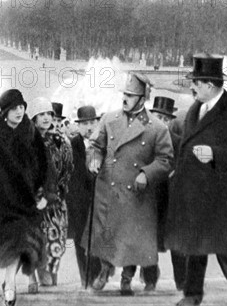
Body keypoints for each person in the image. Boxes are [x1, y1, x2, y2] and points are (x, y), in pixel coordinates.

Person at [164, 54, 227, 306]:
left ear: (210, 85)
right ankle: (192, 295)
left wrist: (215, 155)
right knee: (194, 247)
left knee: (225, 247)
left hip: (222, 196)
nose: (192, 86)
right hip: (193, 193)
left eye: (196, 82)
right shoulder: (196, 109)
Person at [86, 73, 173, 295]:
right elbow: (95, 145)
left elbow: (166, 161)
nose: (125, 99)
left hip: (136, 193)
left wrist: (146, 173)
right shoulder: (109, 119)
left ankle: (127, 278)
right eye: (124, 94)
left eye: (131, 95)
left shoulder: (156, 128)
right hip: (109, 189)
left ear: (142, 99)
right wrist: (94, 159)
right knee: (107, 234)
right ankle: (104, 272)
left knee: (131, 239)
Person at [0, 89, 49, 306]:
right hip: (2, 202)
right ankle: (10, 285)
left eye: (22, 107)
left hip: (27, 200)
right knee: (9, 243)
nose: (19, 111)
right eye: (14, 108)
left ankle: (10, 284)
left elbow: (43, 164)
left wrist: (42, 191)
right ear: (5, 112)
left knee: (23, 242)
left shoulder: (30, 132)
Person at [27, 98, 73, 292]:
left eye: (49, 114)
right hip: (32, 202)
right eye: (41, 114)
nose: (46, 118)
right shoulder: (25, 141)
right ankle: (35, 279)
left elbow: (67, 170)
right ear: (34, 118)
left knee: (57, 245)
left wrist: (54, 194)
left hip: (55, 201)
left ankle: (48, 279)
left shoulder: (61, 141)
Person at [149, 96, 187, 291]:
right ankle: (149, 279)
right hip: (151, 197)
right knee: (149, 239)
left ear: (171, 121)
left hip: (173, 199)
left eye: (166, 119)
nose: (161, 123)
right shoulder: (144, 139)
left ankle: (182, 281)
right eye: (158, 117)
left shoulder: (179, 142)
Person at [67, 105, 102, 288]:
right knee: (81, 243)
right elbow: (73, 179)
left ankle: (95, 277)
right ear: (79, 126)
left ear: (97, 123)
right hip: (79, 203)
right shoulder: (72, 145)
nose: (89, 127)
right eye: (85, 123)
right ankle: (85, 280)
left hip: (100, 201)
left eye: (92, 123)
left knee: (97, 241)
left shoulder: (102, 145)